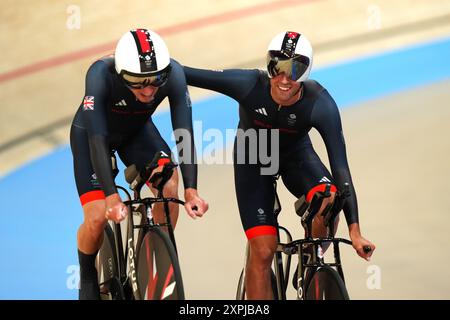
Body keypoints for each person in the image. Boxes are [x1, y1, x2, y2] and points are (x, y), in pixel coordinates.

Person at [183, 31, 375, 299]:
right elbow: (188, 73)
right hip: (254, 158)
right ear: (268, 66)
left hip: (297, 156)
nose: (284, 79)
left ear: (305, 73)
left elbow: (340, 168)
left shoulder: (320, 104)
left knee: (330, 199)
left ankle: (309, 265)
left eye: (294, 70)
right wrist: (127, 66)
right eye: (277, 68)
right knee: (263, 249)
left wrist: (355, 231)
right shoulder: (249, 83)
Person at [70, 28, 209, 300]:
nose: (148, 89)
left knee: (170, 183)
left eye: (155, 80)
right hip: (93, 136)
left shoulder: (175, 74)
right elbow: (98, 141)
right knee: (97, 217)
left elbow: (185, 134)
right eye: (137, 82)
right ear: (122, 74)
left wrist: (191, 189)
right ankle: (87, 275)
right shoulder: (99, 74)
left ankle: (155, 268)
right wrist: (110, 196)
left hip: (136, 133)